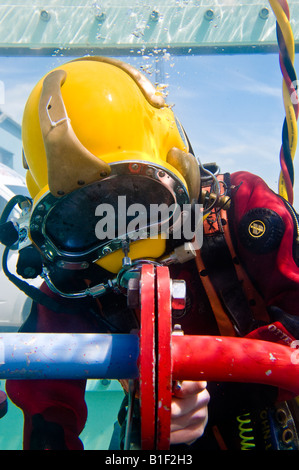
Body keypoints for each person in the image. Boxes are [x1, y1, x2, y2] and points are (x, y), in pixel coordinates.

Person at [2, 56, 299, 450]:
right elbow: (46, 404)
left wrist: (217, 390)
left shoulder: (242, 209)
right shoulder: (73, 274)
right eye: (81, 217)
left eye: (135, 201)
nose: (120, 242)